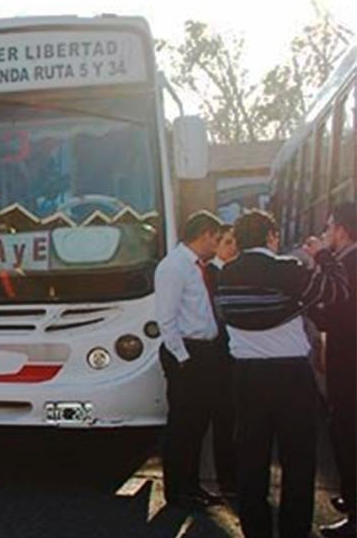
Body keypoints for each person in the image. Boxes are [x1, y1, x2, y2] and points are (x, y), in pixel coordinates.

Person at [216, 209, 349, 538]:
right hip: (290, 377)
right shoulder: (288, 270)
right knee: (298, 462)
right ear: (272, 237)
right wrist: (323, 255)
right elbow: (337, 292)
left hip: (246, 377)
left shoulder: (224, 275)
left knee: (251, 462)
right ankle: (293, 531)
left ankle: (256, 531)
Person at [155, 210, 224, 509]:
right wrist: (182, 357)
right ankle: (177, 491)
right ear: (204, 234)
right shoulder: (174, 267)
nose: (218, 245)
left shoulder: (199, 267)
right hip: (185, 352)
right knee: (182, 425)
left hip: (205, 352)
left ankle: (192, 485)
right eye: (216, 239)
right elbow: (166, 318)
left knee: (198, 424)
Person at [311, 202, 356, 538]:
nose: (325, 234)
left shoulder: (347, 265)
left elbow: (332, 314)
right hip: (345, 362)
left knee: (347, 434)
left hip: (350, 367)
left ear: (341, 230)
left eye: (328, 228)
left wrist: (309, 305)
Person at [206, 224, 239, 499]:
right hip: (219, 357)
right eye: (226, 242)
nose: (232, 247)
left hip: (234, 356)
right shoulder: (212, 274)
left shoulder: (233, 272)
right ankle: (227, 478)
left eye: (235, 242)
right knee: (224, 419)